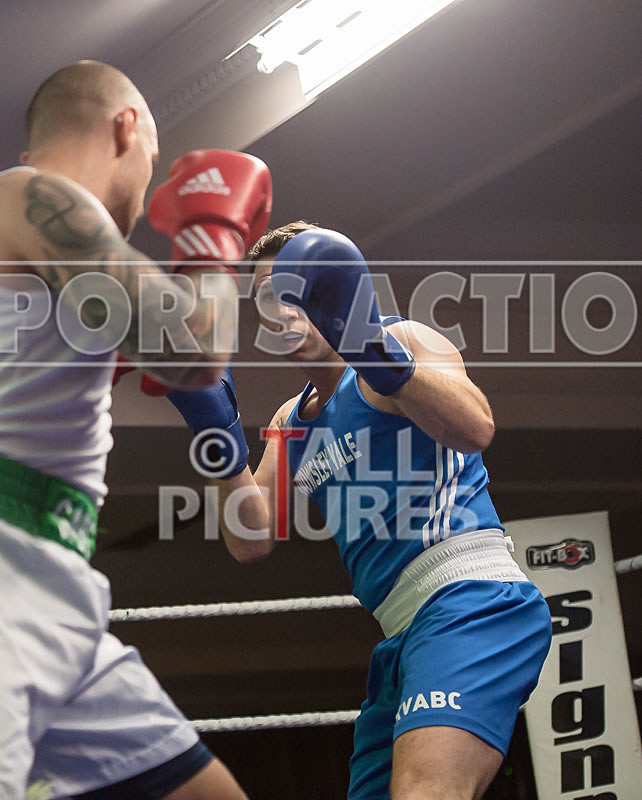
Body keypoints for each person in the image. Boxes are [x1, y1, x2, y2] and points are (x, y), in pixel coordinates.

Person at [167, 221, 553, 799]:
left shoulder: (403, 342)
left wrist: (375, 350)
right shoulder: (290, 419)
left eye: (299, 291)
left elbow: (476, 427)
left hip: (473, 601)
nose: (286, 312)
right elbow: (250, 540)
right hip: (401, 637)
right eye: (270, 299)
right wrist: (215, 433)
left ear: (334, 288)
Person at [0, 60, 271, 799]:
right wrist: (215, 232)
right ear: (128, 127)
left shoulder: (42, 258)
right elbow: (194, 350)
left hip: (55, 585)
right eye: (151, 157)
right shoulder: (32, 194)